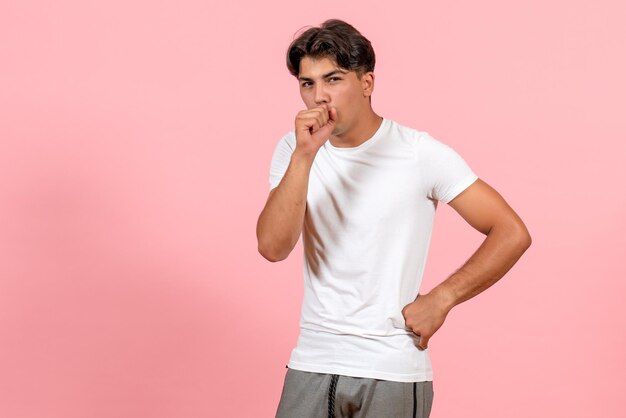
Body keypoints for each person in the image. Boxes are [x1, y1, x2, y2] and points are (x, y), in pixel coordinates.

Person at [256, 19, 531, 418]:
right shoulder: (294, 149)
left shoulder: (418, 152)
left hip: (390, 367)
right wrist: (304, 156)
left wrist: (443, 298)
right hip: (313, 359)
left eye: (333, 79)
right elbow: (272, 247)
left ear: (367, 83)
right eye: (307, 83)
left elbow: (511, 231)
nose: (318, 96)